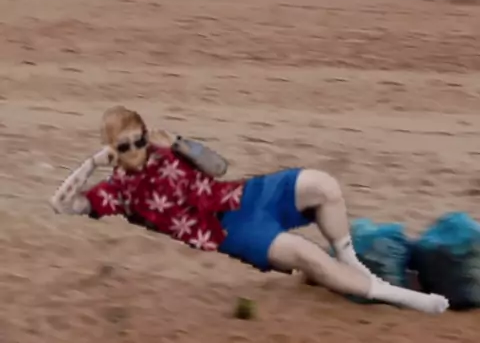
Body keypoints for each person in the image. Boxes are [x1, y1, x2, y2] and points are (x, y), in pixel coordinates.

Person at [50, 105, 448, 314]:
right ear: (112, 149)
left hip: (245, 195)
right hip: (228, 231)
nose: (136, 150)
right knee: (308, 256)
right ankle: (401, 297)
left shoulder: (164, 150)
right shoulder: (117, 192)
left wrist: (181, 144)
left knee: (323, 186)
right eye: (124, 146)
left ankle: (353, 264)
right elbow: (62, 203)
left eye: (138, 140)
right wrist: (92, 163)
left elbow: (219, 168)